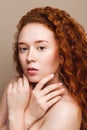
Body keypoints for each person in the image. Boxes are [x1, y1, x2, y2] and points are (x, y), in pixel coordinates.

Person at [0, 6, 87, 130]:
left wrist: (17, 114)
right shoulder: (16, 88)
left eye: (41, 48)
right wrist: (29, 116)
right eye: (23, 49)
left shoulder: (66, 111)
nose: (29, 57)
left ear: (63, 53)